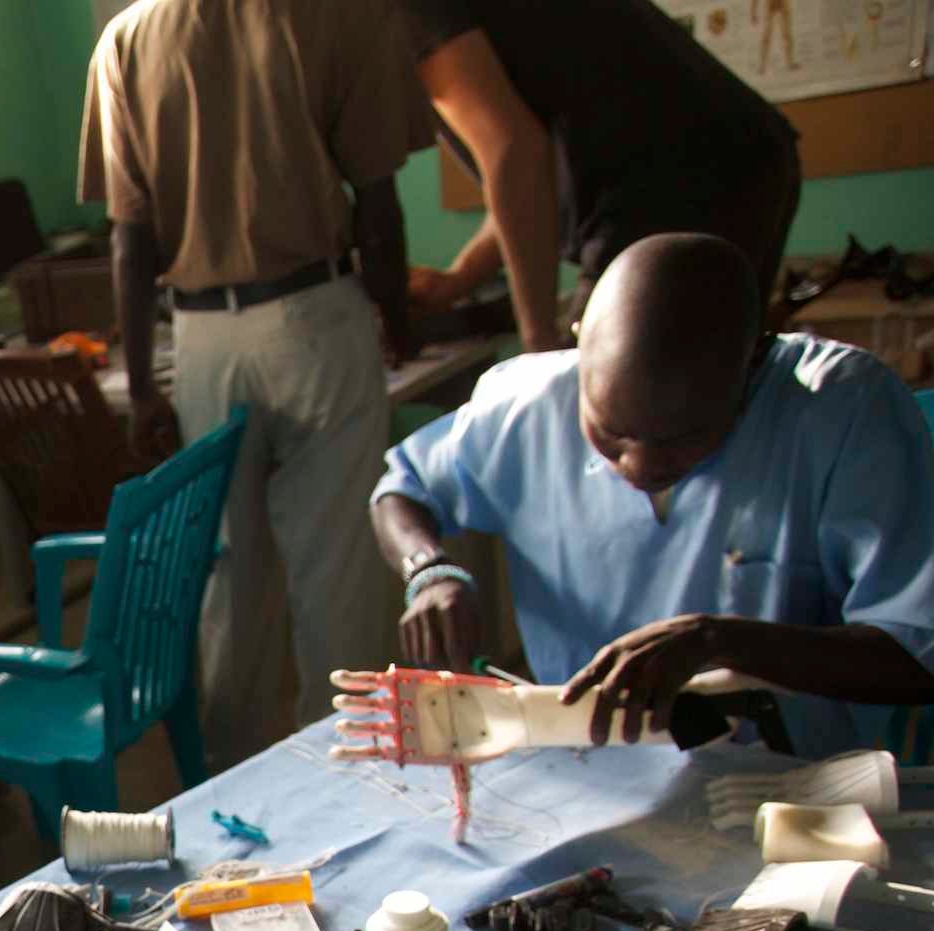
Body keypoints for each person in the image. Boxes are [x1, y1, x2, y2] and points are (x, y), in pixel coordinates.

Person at [375, 232, 934, 755]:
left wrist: (720, 640)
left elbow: (917, 656)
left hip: (797, 791)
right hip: (588, 769)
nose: (638, 466)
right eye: (610, 434)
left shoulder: (842, 414)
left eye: (683, 440)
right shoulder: (529, 405)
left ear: (751, 368)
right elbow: (403, 489)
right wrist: (430, 572)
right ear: (580, 356)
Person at [79, 0, 428, 768]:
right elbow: (376, 203)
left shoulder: (129, 40)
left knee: (229, 582)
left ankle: (233, 781)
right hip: (315, 315)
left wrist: (141, 386)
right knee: (337, 568)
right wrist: (397, 316)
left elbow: (129, 238)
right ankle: (352, 775)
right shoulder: (341, 19)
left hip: (202, 334)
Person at [399, 0, 800, 353]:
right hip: (744, 153)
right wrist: (461, 278)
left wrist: (538, 347)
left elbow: (514, 154)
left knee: (605, 406)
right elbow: (531, 179)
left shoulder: (398, 8)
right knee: (707, 401)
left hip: (669, 180)